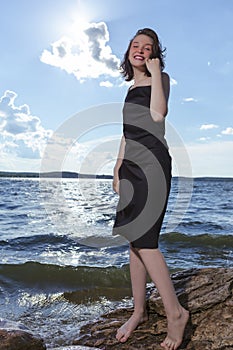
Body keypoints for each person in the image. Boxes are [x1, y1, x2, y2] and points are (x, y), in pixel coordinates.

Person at [112, 28, 189, 350]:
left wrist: (157, 72)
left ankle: (176, 314)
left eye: (148, 47)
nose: (140, 50)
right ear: (129, 51)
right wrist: (117, 168)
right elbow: (127, 133)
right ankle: (139, 311)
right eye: (135, 45)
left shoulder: (161, 78)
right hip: (131, 165)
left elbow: (158, 114)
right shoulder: (131, 88)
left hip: (153, 165)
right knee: (133, 241)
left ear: (155, 54)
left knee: (146, 242)